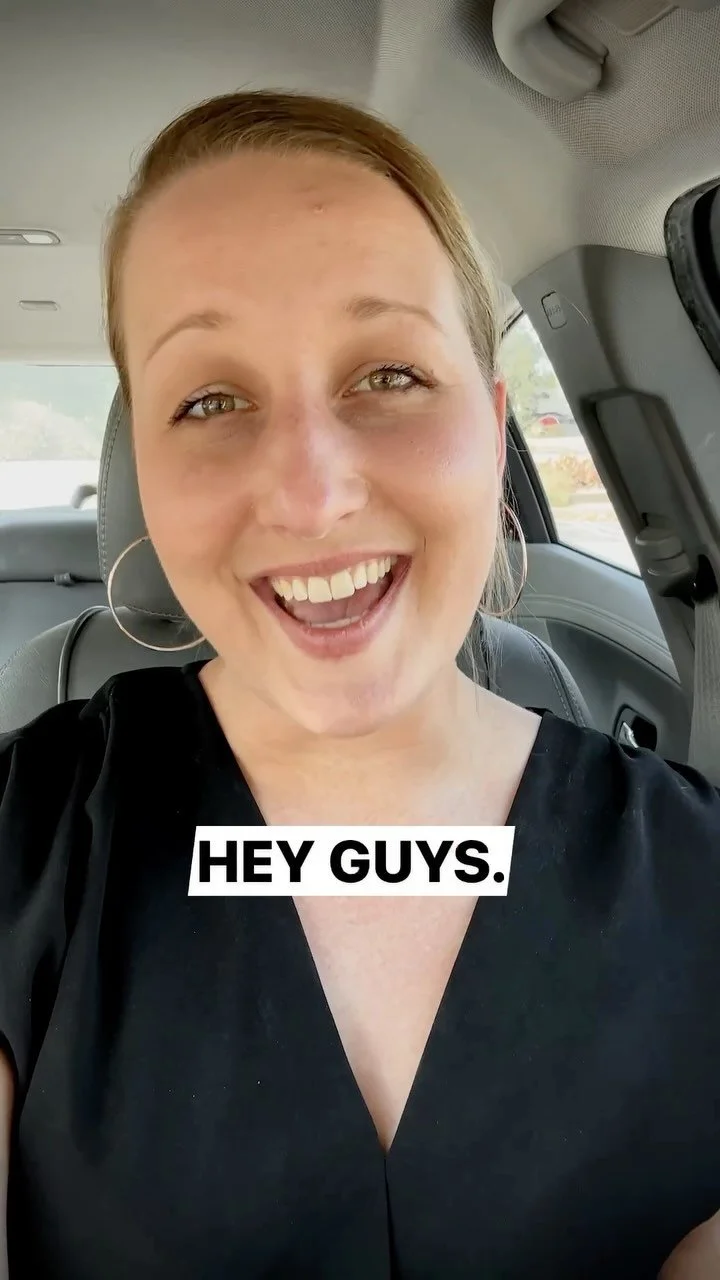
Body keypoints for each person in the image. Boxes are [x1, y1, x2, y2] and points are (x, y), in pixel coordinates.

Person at [1, 88, 719, 1280]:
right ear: (144, 470)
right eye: (210, 399)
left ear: (494, 426)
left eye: (388, 373)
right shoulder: (26, 837)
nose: (311, 491)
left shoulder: (698, 871)